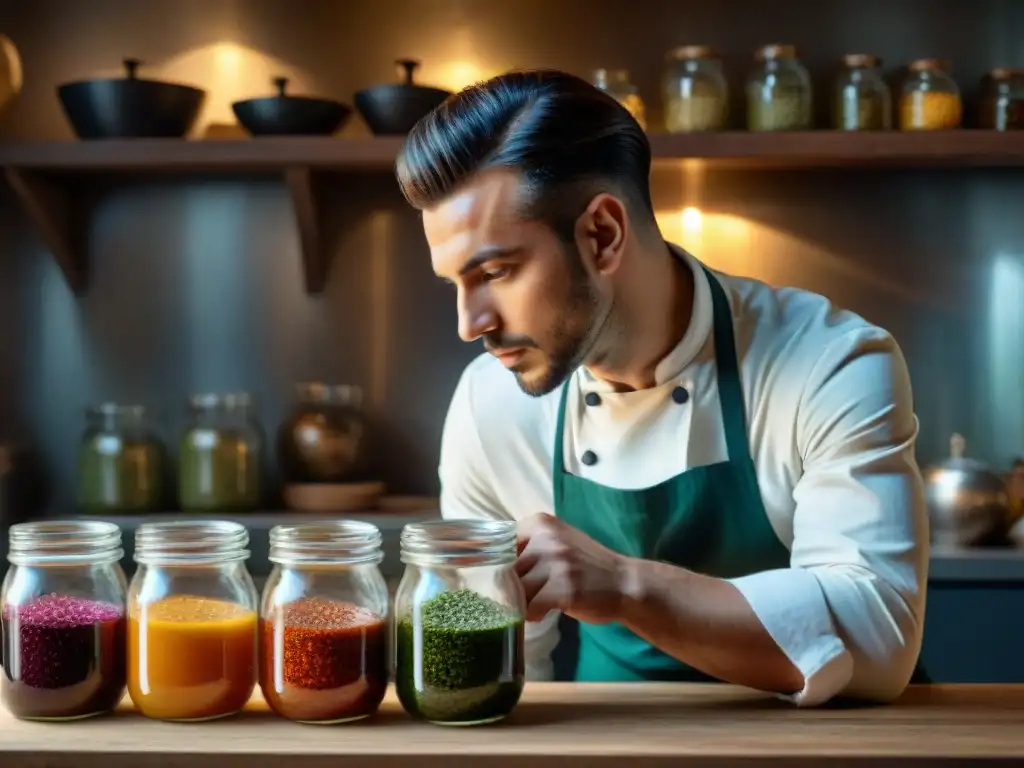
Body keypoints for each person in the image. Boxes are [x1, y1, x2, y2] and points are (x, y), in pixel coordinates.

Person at [395, 70, 929, 707]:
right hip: (615, 743)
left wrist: (624, 585)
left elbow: (878, 637)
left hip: (829, 745)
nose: (469, 323)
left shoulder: (828, 361)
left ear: (603, 234)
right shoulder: (492, 405)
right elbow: (493, 670)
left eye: (497, 272)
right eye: (455, 283)